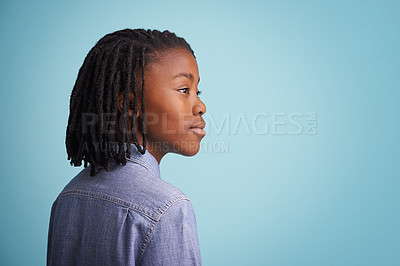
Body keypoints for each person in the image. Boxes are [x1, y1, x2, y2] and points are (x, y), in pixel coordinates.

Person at [47, 28, 206, 265]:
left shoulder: (68, 197)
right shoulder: (168, 208)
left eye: (197, 91)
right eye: (184, 90)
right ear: (130, 104)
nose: (200, 106)